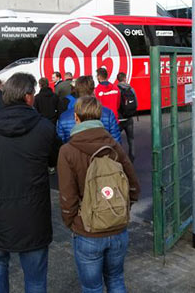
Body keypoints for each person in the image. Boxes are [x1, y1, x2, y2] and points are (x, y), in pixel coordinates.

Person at [0, 73, 59, 293]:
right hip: (32, 217)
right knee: (35, 279)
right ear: (28, 97)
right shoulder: (44, 127)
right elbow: (55, 160)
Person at [57, 96, 140, 293]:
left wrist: (72, 222)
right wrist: (123, 208)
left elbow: (67, 196)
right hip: (118, 227)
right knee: (116, 280)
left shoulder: (68, 151)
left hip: (87, 230)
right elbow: (133, 184)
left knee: (92, 287)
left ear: (76, 118)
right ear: (100, 116)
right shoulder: (113, 145)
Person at [57, 76, 121, 144]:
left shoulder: (64, 117)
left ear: (76, 92)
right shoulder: (108, 114)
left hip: (75, 153)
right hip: (102, 152)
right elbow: (116, 142)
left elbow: (62, 143)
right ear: (93, 90)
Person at [116, 72, 138, 163]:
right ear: (125, 78)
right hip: (129, 118)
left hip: (120, 118)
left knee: (117, 138)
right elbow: (136, 103)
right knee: (131, 139)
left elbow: (116, 104)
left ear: (118, 79)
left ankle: (120, 158)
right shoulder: (131, 89)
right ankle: (132, 157)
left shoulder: (116, 89)